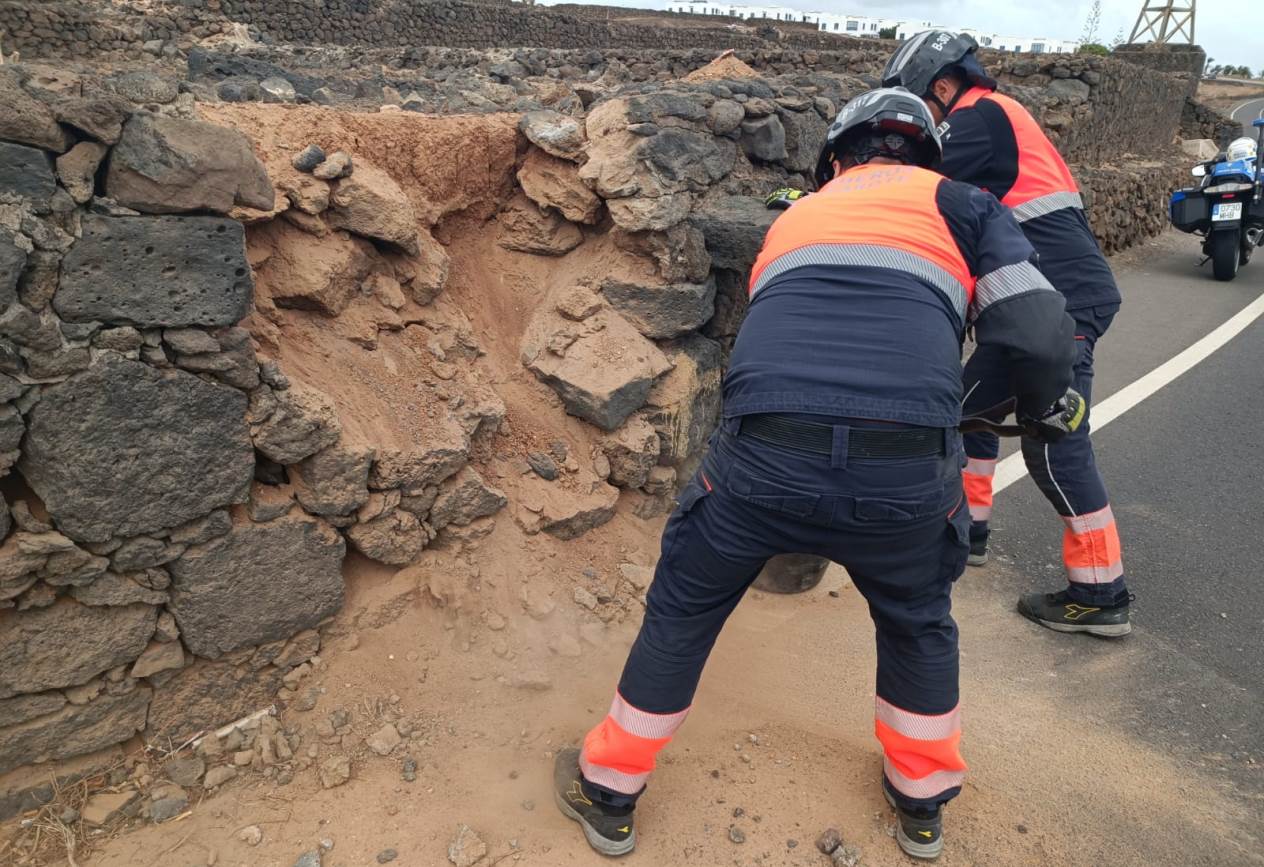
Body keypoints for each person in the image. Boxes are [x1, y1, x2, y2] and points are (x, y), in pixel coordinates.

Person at [553, 88, 1082, 862]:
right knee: (917, 622)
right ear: (927, 158)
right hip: (903, 483)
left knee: (683, 612)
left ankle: (609, 793)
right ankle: (921, 807)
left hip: (760, 465)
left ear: (835, 157)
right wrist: (1039, 408)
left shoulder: (799, 214)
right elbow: (1038, 332)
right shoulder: (966, 206)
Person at [881, 32, 1133, 637]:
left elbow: (903, 178)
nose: (918, 121)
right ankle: (968, 532)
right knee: (976, 413)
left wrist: (824, 198)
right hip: (1034, 309)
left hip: (1056, 308)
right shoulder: (998, 120)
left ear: (944, 87)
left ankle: (1101, 593)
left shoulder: (979, 118)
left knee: (1054, 441)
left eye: (920, 104)